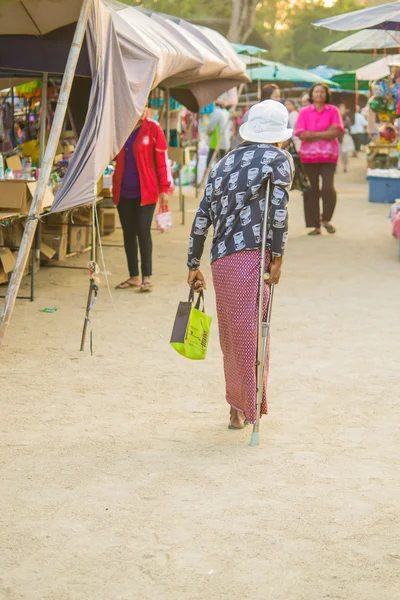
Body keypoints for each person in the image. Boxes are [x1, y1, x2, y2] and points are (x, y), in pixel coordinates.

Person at [187, 101, 294, 430]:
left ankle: (237, 404)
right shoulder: (278, 160)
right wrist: (278, 255)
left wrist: (193, 262)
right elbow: (278, 210)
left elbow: (203, 214)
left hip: (222, 259)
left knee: (234, 336)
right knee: (253, 333)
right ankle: (247, 405)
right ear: (280, 135)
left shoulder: (222, 163)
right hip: (253, 254)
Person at [113, 107, 171, 292]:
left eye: (144, 105)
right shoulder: (120, 128)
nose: (141, 109)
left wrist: (164, 188)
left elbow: (161, 161)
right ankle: (134, 276)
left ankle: (147, 276)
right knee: (128, 233)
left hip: (146, 192)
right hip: (123, 191)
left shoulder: (153, 129)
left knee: (143, 231)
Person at [294, 83, 344, 236]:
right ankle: (315, 225)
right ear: (312, 94)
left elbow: (337, 131)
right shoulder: (304, 112)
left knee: (328, 188)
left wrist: (313, 135)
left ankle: (326, 219)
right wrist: (325, 133)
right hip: (308, 157)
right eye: (316, 92)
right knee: (311, 190)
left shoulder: (333, 110)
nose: (319, 94)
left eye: (322, 92)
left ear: (326, 94)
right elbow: (300, 133)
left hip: (329, 156)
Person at [206, 99, 231, 166]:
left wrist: (208, 132)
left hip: (217, 142)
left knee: (209, 162)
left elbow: (211, 127)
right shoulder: (226, 112)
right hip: (224, 142)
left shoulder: (217, 112)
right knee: (222, 164)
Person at [338, 103, 354, 173]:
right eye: (341, 109)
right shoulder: (335, 118)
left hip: (344, 138)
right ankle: (335, 167)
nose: (342, 110)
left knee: (344, 154)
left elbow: (349, 128)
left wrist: (346, 131)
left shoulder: (347, 119)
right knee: (336, 154)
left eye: (343, 109)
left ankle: (345, 166)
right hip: (336, 138)